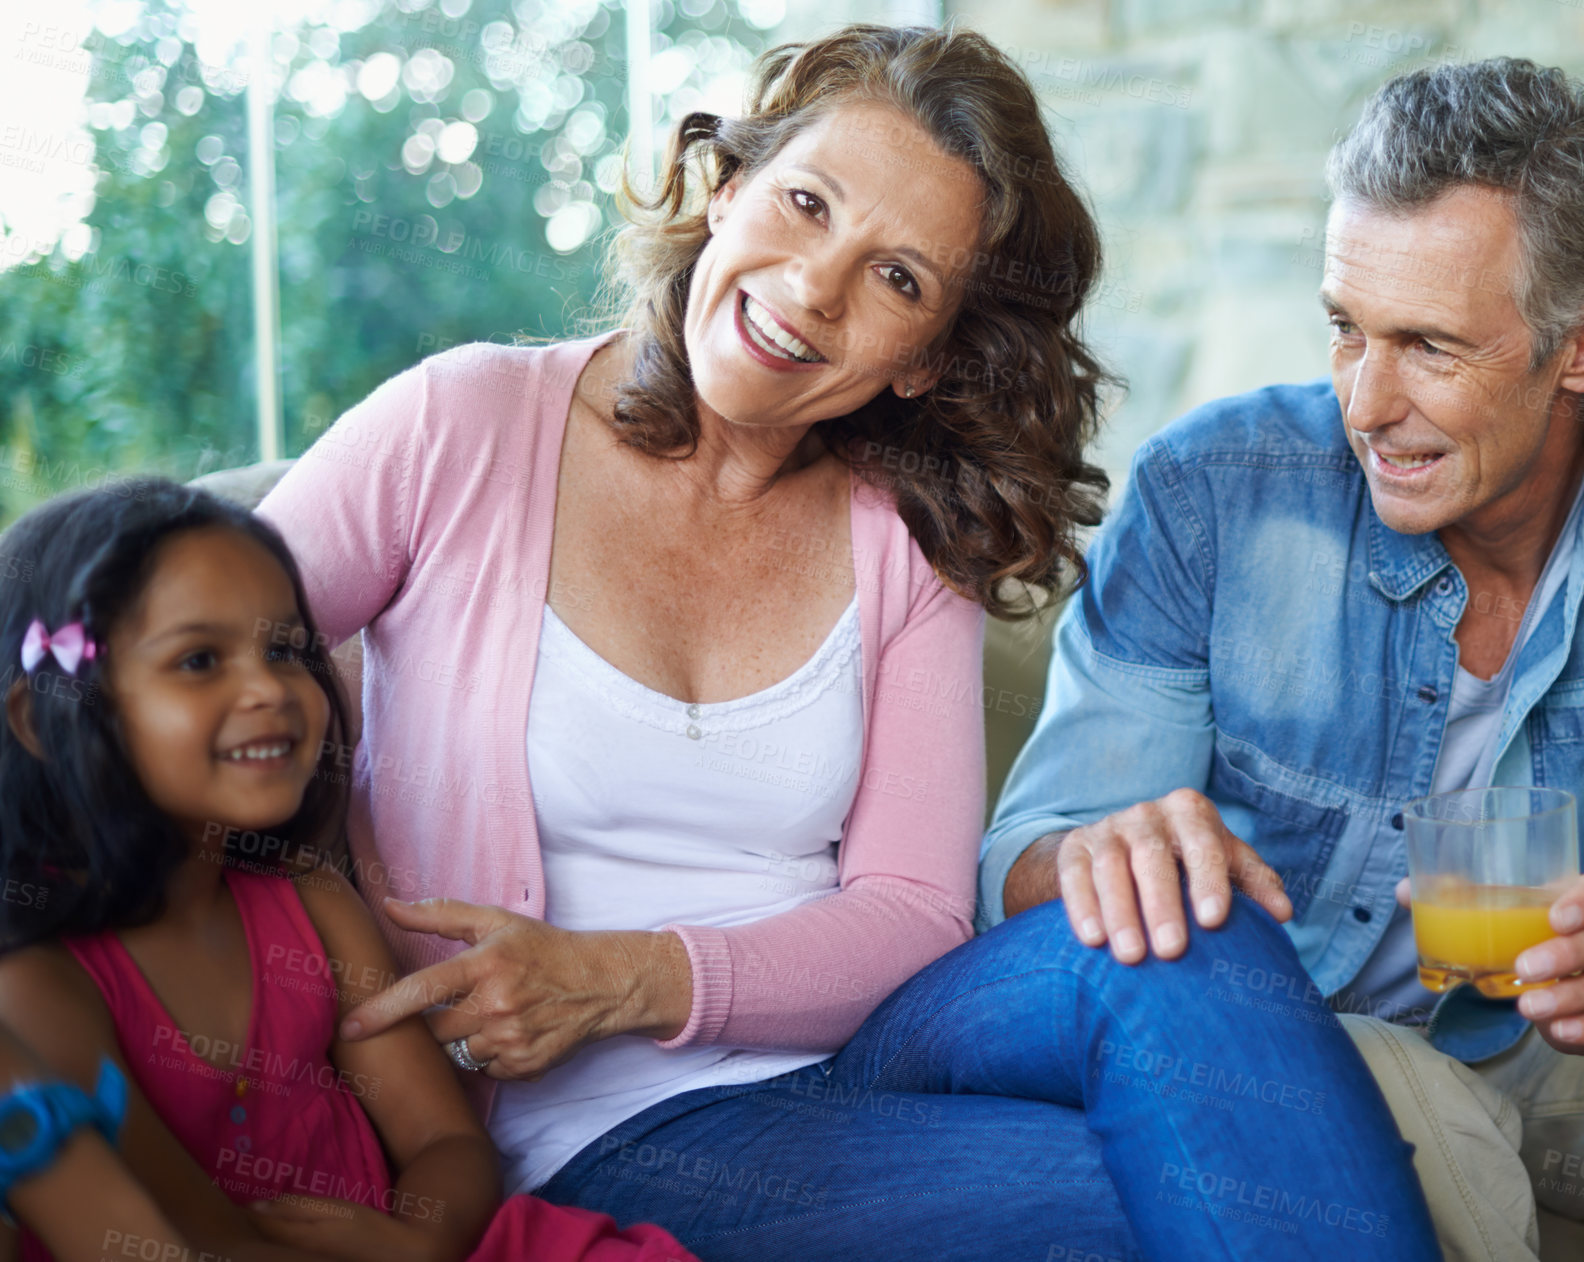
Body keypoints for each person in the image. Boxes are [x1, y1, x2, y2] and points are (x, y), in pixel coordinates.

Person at [255, 22, 1438, 1261]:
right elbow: (182, 654)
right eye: (806, 203)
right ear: (726, 189)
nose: (816, 285)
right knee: (1167, 1196)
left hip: (877, 1045)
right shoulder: (465, 426)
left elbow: (914, 913)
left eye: (898, 278)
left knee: (1186, 921)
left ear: (925, 361)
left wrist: (628, 973)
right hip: (608, 1130)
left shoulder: (907, 536)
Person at [982, 55, 1584, 1262]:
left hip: (1553, 1059)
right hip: (1289, 1039)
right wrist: (1100, 855)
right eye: (1344, 328)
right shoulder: (1215, 496)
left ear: (1572, 350)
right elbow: (1020, 863)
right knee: (1431, 1133)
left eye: (1430, 346)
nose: (1366, 401)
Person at [0, 480, 700, 1261]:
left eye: (286, 651)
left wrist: (421, 1239)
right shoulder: (35, 982)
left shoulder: (308, 898)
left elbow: (446, 1140)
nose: (269, 689)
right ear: (46, 714)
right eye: (199, 660)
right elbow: (183, 1233)